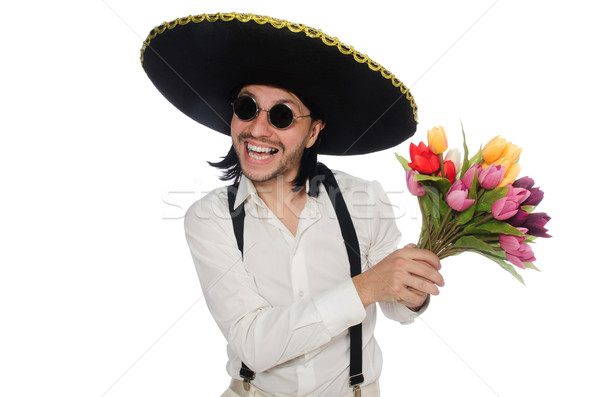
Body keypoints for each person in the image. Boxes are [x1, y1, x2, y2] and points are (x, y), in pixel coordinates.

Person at [141, 12, 444, 397]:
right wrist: (366, 287)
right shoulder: (208, 217)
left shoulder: (363, 199)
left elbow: (398, 310)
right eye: (247, 107)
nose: (258, 129)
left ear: (313, 131)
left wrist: (412, 289)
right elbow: (254, 344)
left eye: (282, 115)